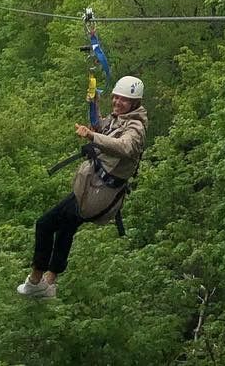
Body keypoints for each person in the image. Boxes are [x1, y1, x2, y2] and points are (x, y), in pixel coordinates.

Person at [17, 74, 148, 299]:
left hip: (100, 193)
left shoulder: (135, 127)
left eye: (123, 100)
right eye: (115, 98)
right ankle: (49, 283)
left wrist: (92, 137)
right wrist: (94, 107)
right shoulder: (120, 118)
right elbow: (102, 127)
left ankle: (35, 280)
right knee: (66, 227)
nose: (117, 103)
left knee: (45, 224)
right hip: (94, 186)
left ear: (134, 103)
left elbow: (125, 147)